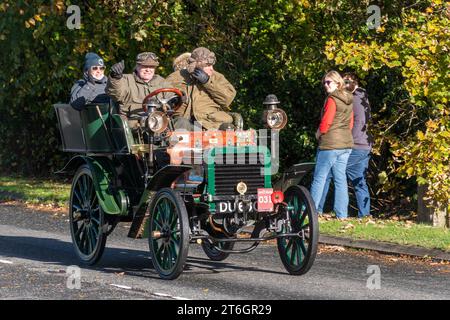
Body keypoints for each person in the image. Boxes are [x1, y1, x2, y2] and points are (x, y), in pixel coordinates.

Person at [317, 73, 373, 218]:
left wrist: (345, 140)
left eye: (347, 81)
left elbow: (356, 123)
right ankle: (363, 215)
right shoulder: (362, 97)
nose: (345, 84)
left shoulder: (352, 99)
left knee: (328, 175)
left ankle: (316, 210)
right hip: (362, 144)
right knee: (358, 180)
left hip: (354, 144)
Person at [310, 70, 354, 219]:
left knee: (319, 178)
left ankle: (312, 213)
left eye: (328, 82)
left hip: (330, 144)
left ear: (337, 82)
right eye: (324, 82)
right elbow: (351, 122)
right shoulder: (349, 98)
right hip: (346, 144)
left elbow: (326, 121)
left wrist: (319, 133)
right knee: (340, 179)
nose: (326, 85)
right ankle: (342, 214)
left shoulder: (332, 99)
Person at [166, 47, 236, 130]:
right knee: (181, 124)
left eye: (212, 65)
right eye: (208, 65)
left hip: (210, 123)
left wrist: (208, 82)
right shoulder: (176, 77)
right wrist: (170, 102)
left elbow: (228, 98)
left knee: (228, 130)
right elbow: (160, 98)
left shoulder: (217, 77)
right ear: (197, 66)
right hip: (184, 122)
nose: (212, 69)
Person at [106, 52, 172, 124]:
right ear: (137, 66)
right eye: (144, 66)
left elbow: (172, 96)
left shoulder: (161, 81)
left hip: (159, 121)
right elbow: (116, 94)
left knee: (180, 122)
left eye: (151, 67)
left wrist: (177, 98)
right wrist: (115, 77)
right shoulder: (126, 80)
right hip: (134, 122)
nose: (148, 70)